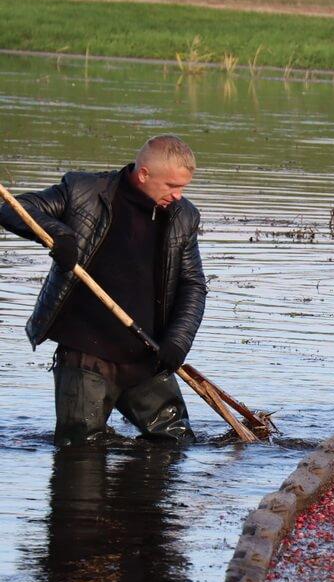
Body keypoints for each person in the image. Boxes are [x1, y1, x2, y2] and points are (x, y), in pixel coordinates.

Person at [0, 135, 206, 446]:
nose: (178, 196)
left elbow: (193, 285)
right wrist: (59, 235)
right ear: (144, 173)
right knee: (80, 450)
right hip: (85, 357)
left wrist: (177, 341)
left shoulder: (183, 216)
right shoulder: (83, 190)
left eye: (183, 187)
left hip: (146, 355)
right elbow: (14, 209)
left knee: (176, 445)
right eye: (171, 186)